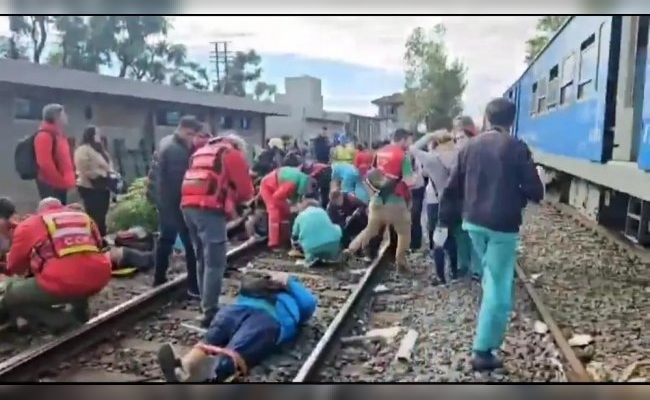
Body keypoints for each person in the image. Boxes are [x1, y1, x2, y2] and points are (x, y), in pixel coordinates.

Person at [438, 98, 544, 371]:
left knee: (490, 273)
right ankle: (482, 351)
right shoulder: (517, 147)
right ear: (511, 121)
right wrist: (518, 192)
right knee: (499, 287)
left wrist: (443, 222)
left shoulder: (469, 146)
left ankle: (486, 331)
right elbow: (536, 191)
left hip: (472, 222)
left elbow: (452, 188)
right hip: (502, 226)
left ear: (486, 118)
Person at [156, 272, 317, 382]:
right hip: (262, 318)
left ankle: (185, 369)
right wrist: (288, 281)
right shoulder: (283, 295)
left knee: (211, 344)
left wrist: (289, 281)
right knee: (228, 350)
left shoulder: (267, 289)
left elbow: (309, 304)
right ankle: (193, 373)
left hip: (241, 313)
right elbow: (309, 302)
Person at [0, 197, 112, 333]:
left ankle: (63, 322)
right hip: (100, 276)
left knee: (12, 295)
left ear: (39, 210)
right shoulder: (83, 217)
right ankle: (80, 313)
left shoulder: (31, 224)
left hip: (63, 281)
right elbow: (98, 245)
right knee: (75, 267)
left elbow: (14, 267)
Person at [181, 132, 255, 328]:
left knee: (202, 259)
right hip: (208, 209)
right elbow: (246, 191)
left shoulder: (201, 151)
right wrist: (242, 204)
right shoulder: (232, 154)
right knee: (215, 262)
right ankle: (210, 311)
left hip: (188, 207)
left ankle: (205, 305)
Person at [343, 129, 415, 271]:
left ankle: (349, 250)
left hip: (376, 200)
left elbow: (373, 174)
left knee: (370, 230)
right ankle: (401, 262)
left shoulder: (380, 152)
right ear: (403, 140)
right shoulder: (403, 157)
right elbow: (409, 182)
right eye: (409, 140)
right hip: (395, 202)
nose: (410, 143)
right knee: (404, 232)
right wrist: (416, 179)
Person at [152, 116, 201, 299]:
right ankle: (194, 287)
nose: (193, 139)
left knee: (166, 239)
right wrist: (185, 206)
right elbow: (179, 183)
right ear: (187, 131)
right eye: (192, 134)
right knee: (191, 245)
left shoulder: (167, 143)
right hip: (176, 203)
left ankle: (159, 278)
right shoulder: (177, 151)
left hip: (165, 201)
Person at [410, 130, 459, 284]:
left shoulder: (431, 158)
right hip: (455, 202)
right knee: (450, 236)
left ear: (435, 143)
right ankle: (454, 270)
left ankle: (440, 276)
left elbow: (412, 148)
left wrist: (430, 135)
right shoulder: (458, 155)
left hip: (436, 202)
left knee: (438, 239)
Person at [74, 126, 115, 237]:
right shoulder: (83, 150)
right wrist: (101, 174)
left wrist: (110, 174)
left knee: (102, 215)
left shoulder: (100, 149)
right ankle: (95, 238)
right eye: (97, 134)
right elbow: (85, 168)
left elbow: (108, 165)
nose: (99, 136)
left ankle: (102, 237)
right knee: (94, 215)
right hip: (90, 186)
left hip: (104, 186)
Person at [259, 166, 312, 250]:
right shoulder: (291, 184)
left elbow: (296, 198)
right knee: (274, 212)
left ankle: (284, 238)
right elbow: (276, 197)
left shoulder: (300, 180)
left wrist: (293, 206)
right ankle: (273, 243)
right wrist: (289, 207)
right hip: (267, 187)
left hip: (277, 188)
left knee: (286, 213)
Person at [34, 104, 76, 204]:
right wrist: (59, 180)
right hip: (51, 185)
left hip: (62, 185)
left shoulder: (60, 136)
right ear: (56, 117)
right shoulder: (44, 136)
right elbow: (45, 163)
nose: (66, 117)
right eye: (63, 114)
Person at [291, 198, 342, 267]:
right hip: (332, 244)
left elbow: (294, 234)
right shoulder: (322, 211)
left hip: (312, 248)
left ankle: (310, 258)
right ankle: (332, 256)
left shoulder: (301, 216)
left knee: (300, 239)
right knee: (335, 227)